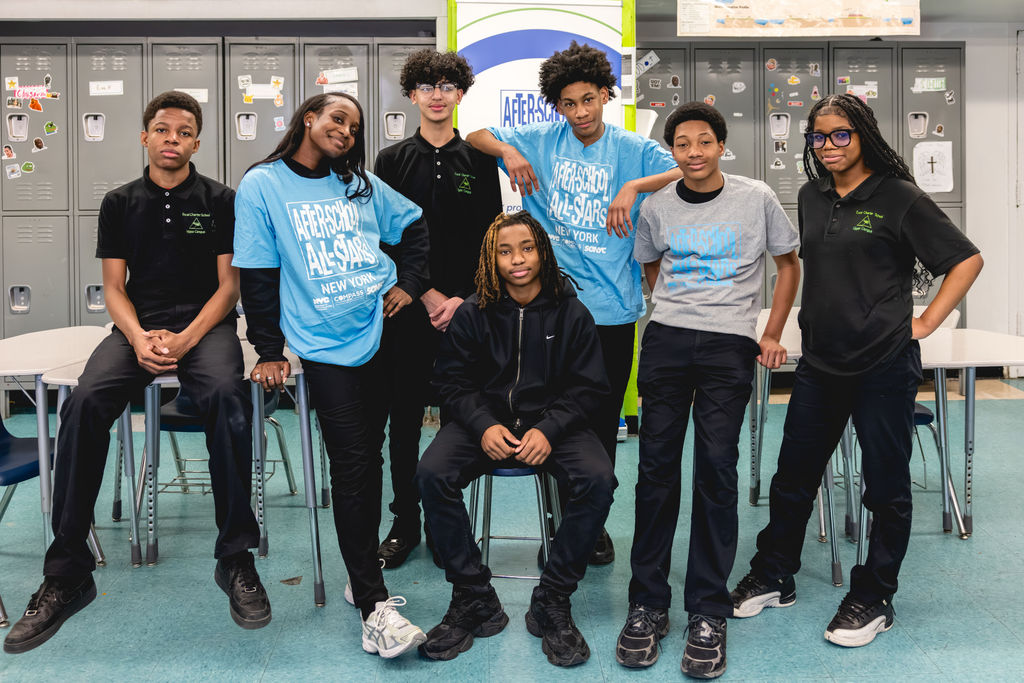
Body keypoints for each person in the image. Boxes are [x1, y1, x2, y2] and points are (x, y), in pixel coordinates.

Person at [4, 91, 267, 655]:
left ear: (197, 143)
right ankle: (69, 570)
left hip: (205, 326)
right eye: (163, 129)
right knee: (84, 401)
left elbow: (230, 287)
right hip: (136, 327)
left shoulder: (222, 199)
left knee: (227, 394)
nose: (173, 138)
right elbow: (114, 289)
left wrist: (187, 338)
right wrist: (140, 336)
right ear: (145, 137)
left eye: (184, 131)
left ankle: (235, 557)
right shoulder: (119, 202)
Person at [731, 94, 983, 648]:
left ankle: (874, 595)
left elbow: (966, 259)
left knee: (885, 488)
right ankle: (775, 574)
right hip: (821, 364)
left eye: (840, 135)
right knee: (792, 478)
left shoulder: (900, 197)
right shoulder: (810, 194)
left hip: (884, 365)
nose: (828, 147)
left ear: (862, 134)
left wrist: (927, 322)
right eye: (818, 139)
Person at [466, 41, 681, 564]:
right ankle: (559, 521)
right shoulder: (540, 139)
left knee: (602, 420)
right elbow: (473, 132)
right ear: (556, 106)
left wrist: (633, 186)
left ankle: (591, 523)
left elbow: (680, 169)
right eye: (568, 103)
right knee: (554, 417)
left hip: (612, 311)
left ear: (606, 95)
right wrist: (510, 152)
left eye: (589, 99)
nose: (580, 112)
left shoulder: (631, 148)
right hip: (552, 310)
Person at [232, 92, 429, 658]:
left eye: (355, 125)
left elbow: (414, 227)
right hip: (325, 344)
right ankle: (373, 606)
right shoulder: (263, 185)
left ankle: (361, 573)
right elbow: (258, 272)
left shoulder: (359, 182)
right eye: (337, 118)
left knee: (387, 452)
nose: (345, 130)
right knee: (353, 465)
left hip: (386, 326)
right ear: (308, 118)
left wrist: (410, 284)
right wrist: (268, 348)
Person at [616, 102, 800, 678]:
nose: (693, 152)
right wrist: (672, 309)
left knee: (717, 470)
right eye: (682, 143)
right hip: (668, 342)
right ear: (671, 150)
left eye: (704, 141)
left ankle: (708, 609)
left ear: (722, 145)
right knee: (656, 472)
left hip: (727, 346)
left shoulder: (756, 198)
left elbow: (788, 264)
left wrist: (769, 331)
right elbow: (650, 266)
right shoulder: (658, 205)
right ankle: (647, 602)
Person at [416, 211, 615, 667]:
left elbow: (590, 388)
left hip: (554, 423)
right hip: (483, 423)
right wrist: (483, 424)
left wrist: (549, 428)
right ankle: (473, 595)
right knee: (431, 474)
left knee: (598, 478)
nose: (517, 259)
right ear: (492, 258)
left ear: (542, 251)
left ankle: (553, 597)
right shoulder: (472, 312)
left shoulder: (572, 311)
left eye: (526, 248)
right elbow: (451, 382)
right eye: (505, 251)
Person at [371, 49, 502, 568]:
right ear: (411, 95)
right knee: (402, 423)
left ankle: (452, 527)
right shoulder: (391, 161)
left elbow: (492, 239)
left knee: (460, 423)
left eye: (448, 85)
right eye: (427, 86)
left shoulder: (480, 161)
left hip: (468, 315)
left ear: (461, 93)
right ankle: (405, 523)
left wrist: (465, 301)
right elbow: (383, 239)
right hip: (406, 312)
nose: (437, 95)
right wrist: (423, 293)